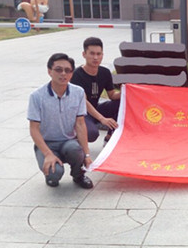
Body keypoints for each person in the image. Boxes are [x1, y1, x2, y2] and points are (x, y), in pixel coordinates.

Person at [27, 53, 93, 189]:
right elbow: (34, 129)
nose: (63, 74)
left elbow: (80, 124)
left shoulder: (78, 92)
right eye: (58, 70)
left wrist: (87, 154)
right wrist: (48, 154)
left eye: (67, 70)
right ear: (49, 71)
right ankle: (51, 173)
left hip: (68, 142)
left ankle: (78, 175)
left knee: (75, 149)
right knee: (54, 175)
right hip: (47, 143)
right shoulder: (37, 96)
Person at [71, 36, 120, 144]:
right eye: (92, 54)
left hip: (96, 108)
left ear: (102, 55)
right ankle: (74, 136)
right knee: (92, 134)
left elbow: (112, 95)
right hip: (81, 113)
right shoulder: (77, 74)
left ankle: (109, 137)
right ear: (84, 54)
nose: (95, 57)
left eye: (99, 54)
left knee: (121, 103)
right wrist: (102, 119)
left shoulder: (105, 72)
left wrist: (126, 91)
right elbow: (84, 102)